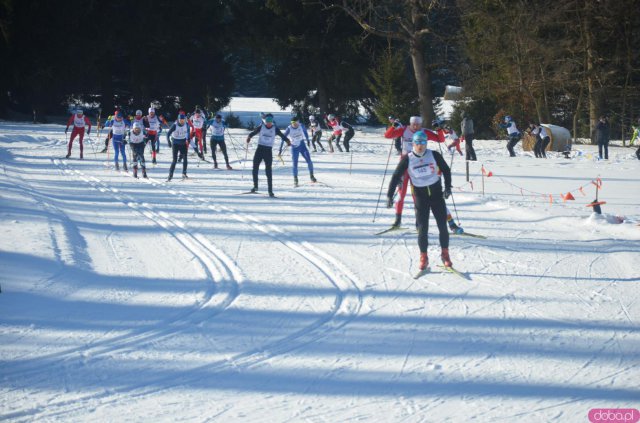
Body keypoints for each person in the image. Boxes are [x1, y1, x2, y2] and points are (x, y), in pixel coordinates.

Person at [386, 130, 453, 270]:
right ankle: (424, 257)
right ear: (413, 144)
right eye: (417, 143)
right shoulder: (408, 158)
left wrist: (447, 187)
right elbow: (396, 176)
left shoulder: (434, 155)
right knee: (423, 229)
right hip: (421, 197)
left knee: (443, 226)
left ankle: (445, 254)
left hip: (436, 196)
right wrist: (389, 195)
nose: (421, 146)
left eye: (423, 142)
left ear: (426, 143)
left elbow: (446, 170)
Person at [246, 113, 290, 196]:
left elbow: (282, 135)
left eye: (270, 120)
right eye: (267, 121)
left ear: (272, 121)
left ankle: (270, 190)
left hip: (268, 151)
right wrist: (249, 137)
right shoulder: (261, 127)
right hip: (259, 149)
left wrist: (287, 140)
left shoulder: (275, 129)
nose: (269, 122)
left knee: (268, 171)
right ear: (265, 121)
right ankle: (255, 186)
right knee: (255, 168)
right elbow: (253, 132)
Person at [280, 117, 316, 187]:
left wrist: (308, 140)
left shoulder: (301, 126)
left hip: (302, 146)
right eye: (294, 123)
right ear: (291, 123)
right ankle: (295, 179)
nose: (296, 124)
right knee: (295, 164)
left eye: (297, 123)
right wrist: (280, 149)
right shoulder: (289, 128)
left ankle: (312, 176)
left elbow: (305, 132)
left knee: (309, 161)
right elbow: (282, 138)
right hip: (294, 148)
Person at [166, 113, 191, 181]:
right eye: (180, 120)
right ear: (178, 120)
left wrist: (188, 138)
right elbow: (168, 134)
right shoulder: (175, 125)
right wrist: (169, 141)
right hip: (175, 144)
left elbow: (188, 132)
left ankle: (184, 173)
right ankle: (170, 175)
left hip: (183, 143)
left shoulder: (186, 124)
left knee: (185, 158)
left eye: (183, 120)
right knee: (174, 160)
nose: (182, 121)